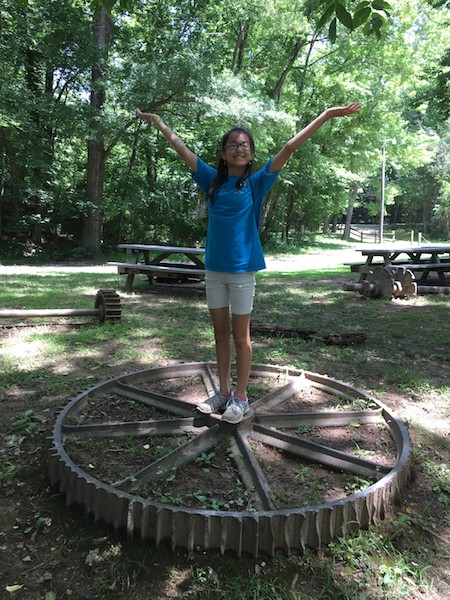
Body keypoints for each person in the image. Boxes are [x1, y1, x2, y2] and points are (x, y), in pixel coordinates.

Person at [136, 103, 361, 423]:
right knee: (218, 333)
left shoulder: (257, 183)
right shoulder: (211, 180)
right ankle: (223, 393)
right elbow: (180, 148)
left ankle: (241, 398)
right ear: (224, 153)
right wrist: (158, 122)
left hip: (243, 272)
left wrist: (326, 115)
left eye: (245, 145)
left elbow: (289, 147)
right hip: (214, 270)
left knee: (240, 337)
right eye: (233, 144)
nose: (239, 148)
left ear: (251, 153)